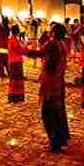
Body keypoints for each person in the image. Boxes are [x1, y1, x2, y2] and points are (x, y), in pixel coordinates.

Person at [28, 23, 70, 153]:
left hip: (51, 83)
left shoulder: (52, 44)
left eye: (51, 29)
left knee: (48, 114)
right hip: (59, 82)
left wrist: (23, 49)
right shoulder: (62, 43)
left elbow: (39, 53)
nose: (49, 30)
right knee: (58, 113)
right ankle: (61, 139)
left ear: (54, 32)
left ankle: (55, 143)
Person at [7, 25, 26, 103]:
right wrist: (25, 45)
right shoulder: (14, 40)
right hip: (16, 62)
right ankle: (16, 97)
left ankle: (14, 97)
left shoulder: (11, 39)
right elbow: (19, 49)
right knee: (16, 80)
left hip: (12, 61)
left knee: (13, 80)